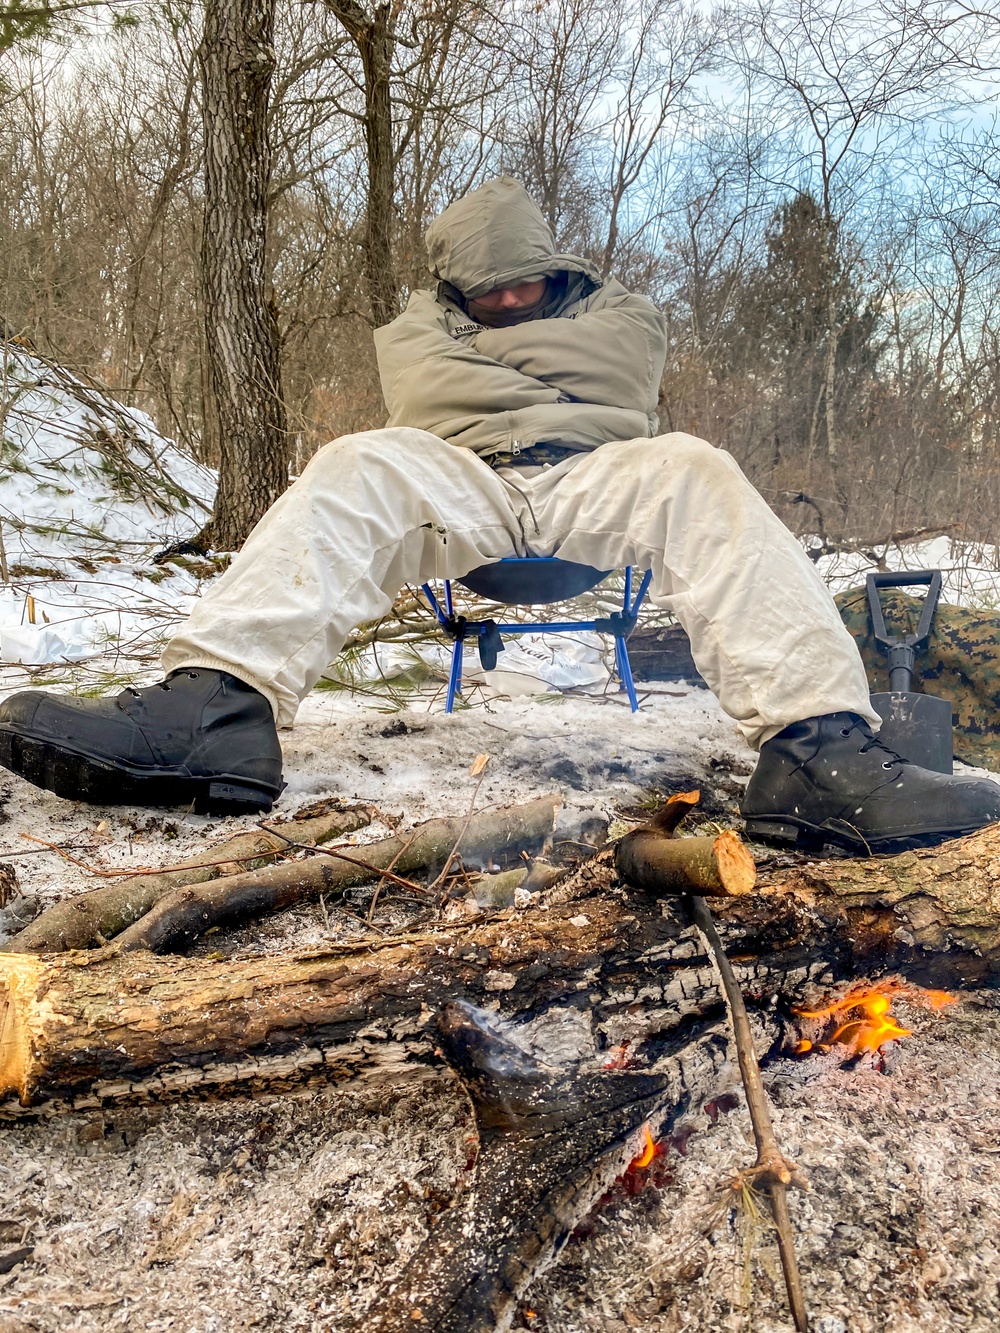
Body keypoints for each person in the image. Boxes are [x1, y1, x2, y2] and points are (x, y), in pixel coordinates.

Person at [1, 177, 997, 853]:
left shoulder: (622, 311)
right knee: (355, 460)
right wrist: (538, 379)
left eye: (531, 285)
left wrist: (483, 369)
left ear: (558, 270)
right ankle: (216, 705)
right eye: (491, 297)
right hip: (463, 483)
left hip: (592, 477)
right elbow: (426, 399)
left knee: (697, 466)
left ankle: (818, 749)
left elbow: (616, 378)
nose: (515, 299)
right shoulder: (412, 327)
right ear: (454, 292)